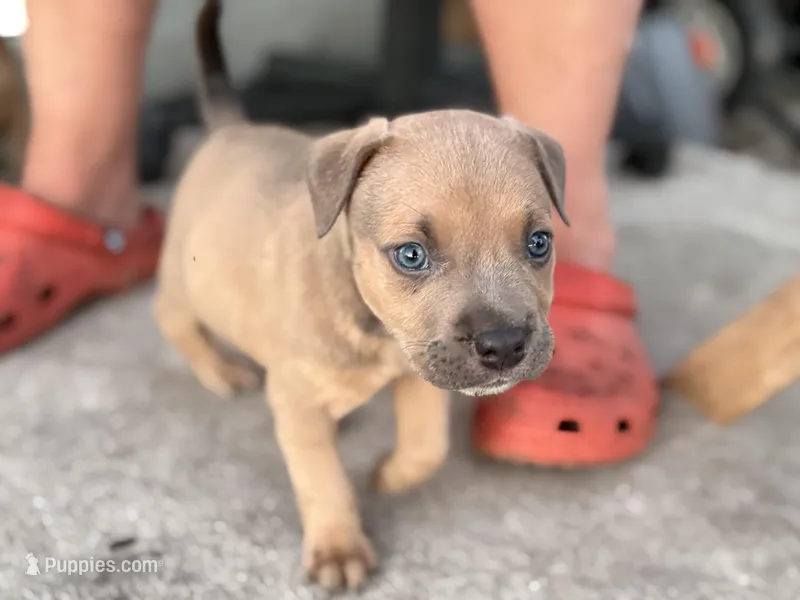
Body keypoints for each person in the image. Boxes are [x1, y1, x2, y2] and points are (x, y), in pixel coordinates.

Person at [0, 0, 657, 466]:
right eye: (414, 254)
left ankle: (580, 244)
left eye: (535, 244)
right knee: (187, 298)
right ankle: (80, 192)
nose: (503, 329)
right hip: (247, 198)